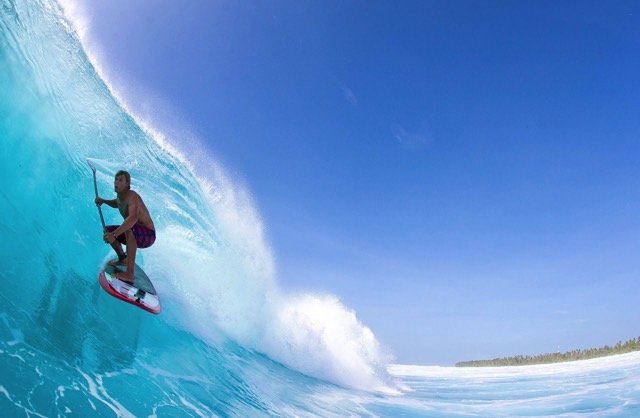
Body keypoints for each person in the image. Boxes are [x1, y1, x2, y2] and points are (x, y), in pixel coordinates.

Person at [95, 170, 156, 284]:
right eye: (116, 179)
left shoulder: (132, 196)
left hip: (148, 236)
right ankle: (123, 259)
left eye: (120, 180)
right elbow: (117, 203)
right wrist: (103, 201)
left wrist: (114, 234)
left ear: (128, 184)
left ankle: (129, 274)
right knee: (108, 230)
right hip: (134, 233)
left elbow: (132, 219)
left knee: (127, 228)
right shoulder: (120, 197)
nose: (116, 182)